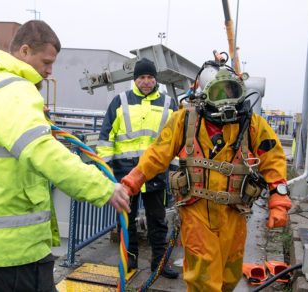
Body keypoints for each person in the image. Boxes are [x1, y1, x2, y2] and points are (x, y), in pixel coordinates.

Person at [0, 20, 130, 292]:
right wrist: (103, 188)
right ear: (23, 51)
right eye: (45, 61)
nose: (49, 70)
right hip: (11, 246)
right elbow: (42, 151)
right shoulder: (15, 91)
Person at [121, 61, 293, 291]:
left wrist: (279, 200)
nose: (226, 97)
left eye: (231, 90)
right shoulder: (184, 121)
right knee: (204, 279)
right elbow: (156, 155)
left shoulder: (252, 125)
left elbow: (273, 158)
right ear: (204, 94)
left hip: (235, 214)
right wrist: (130, 183)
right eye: (219, 91)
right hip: (197, 211)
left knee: (229, 277)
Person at [96, 58, 179, 279]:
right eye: (142, 77)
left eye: (150, 77)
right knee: (125, 221)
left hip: (156, 175)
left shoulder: (169, 104)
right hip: (125, 176)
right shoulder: (119, 101)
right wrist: (107, 172)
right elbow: (106, 138)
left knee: (158, 222)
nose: (146, 81)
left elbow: (177, 142)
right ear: (135, 79)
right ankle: (129, 259)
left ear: (156, 80)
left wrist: (174, 170)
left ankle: (159, 264)